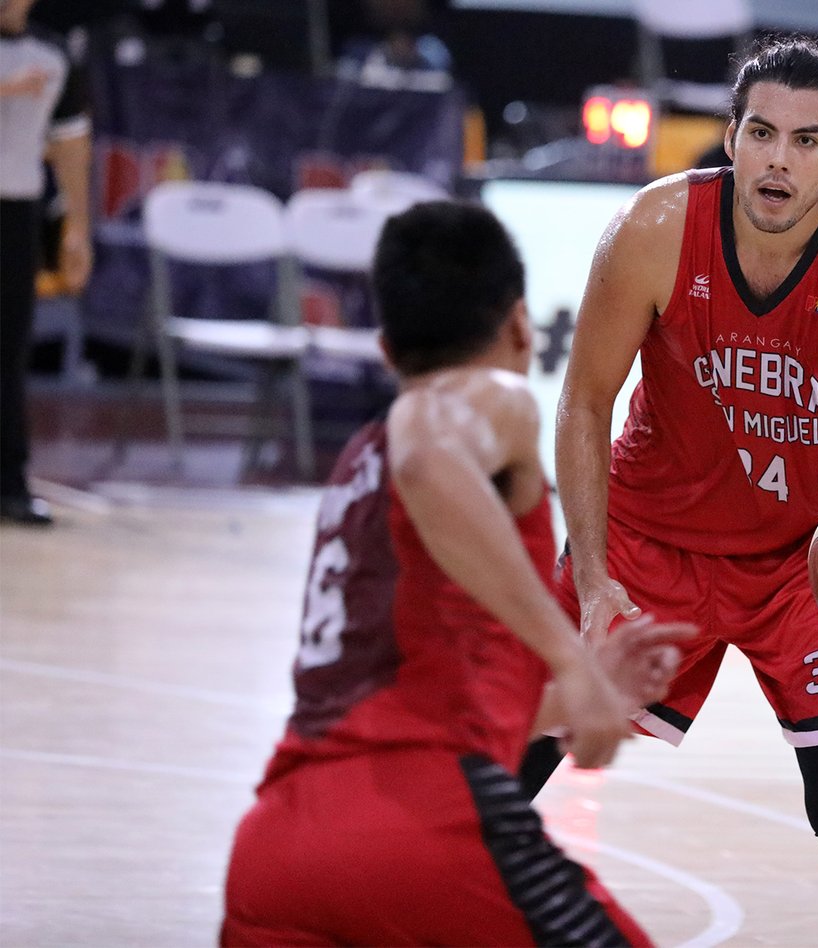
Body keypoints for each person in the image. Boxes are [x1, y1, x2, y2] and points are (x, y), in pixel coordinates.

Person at [521, 37, 818, 947]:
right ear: (732, 136)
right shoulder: (654, 229)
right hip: (646, 537)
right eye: (761, 133)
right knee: (505, 766)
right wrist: (591, 578)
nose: (778, 159)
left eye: (805, 140)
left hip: (795, 562)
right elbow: (585, 402)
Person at [220, 201, 693, 946]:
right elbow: (428, 450)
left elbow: (418, 702)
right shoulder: (490, 400)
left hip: (277, 851)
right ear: (517, 326)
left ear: (384, 348)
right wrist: (569, 660)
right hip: (421, 836)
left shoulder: (354, 466)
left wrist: (572, 698)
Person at [0, 0, 91, 526]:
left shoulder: (52, 52)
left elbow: (73, 142)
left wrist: (78, 227)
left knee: (10, 347)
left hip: (18, 211)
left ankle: (10, 479)